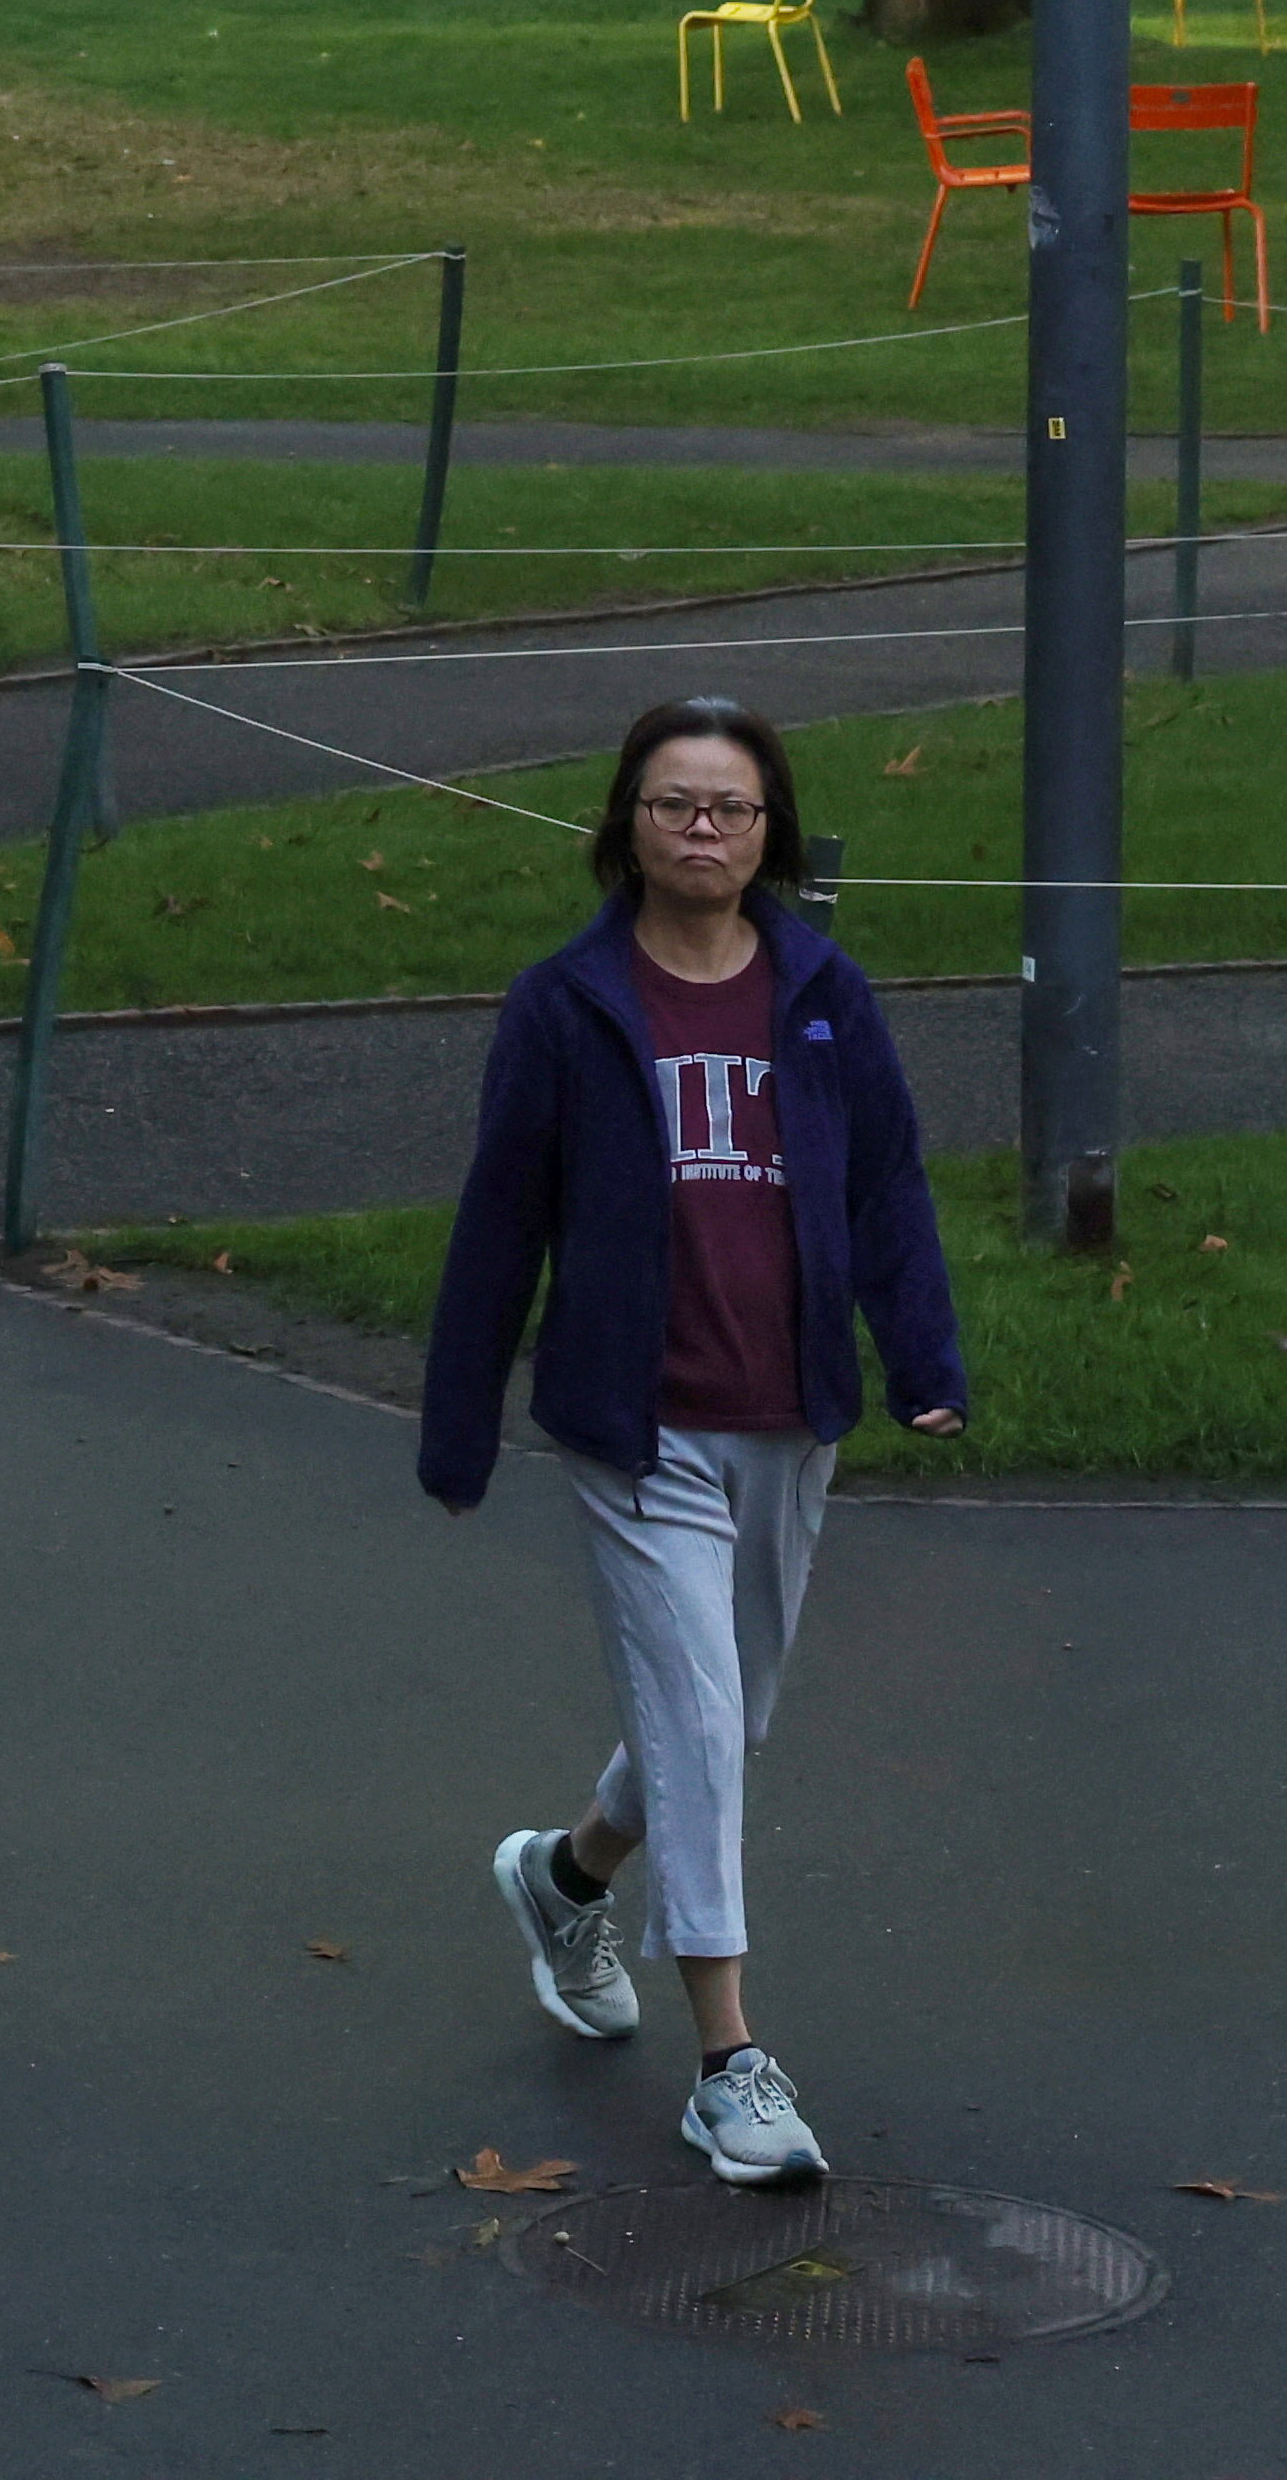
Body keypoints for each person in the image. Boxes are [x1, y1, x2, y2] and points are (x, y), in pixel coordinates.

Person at [416, 691, 964, 2188]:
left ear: (769, 827)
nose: (703, 829)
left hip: (784, 1413)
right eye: (673, 804)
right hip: (633, 1422)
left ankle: (563, 1874)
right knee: (705, 1722)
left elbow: (890, 1190)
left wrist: (923, 1355)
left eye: (729, 806)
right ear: (625, 825)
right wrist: (458, 1423)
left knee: (722, 1715)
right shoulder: (566, 1004)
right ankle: (730, 2063)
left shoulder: (823, 994)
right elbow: (500, 1219)